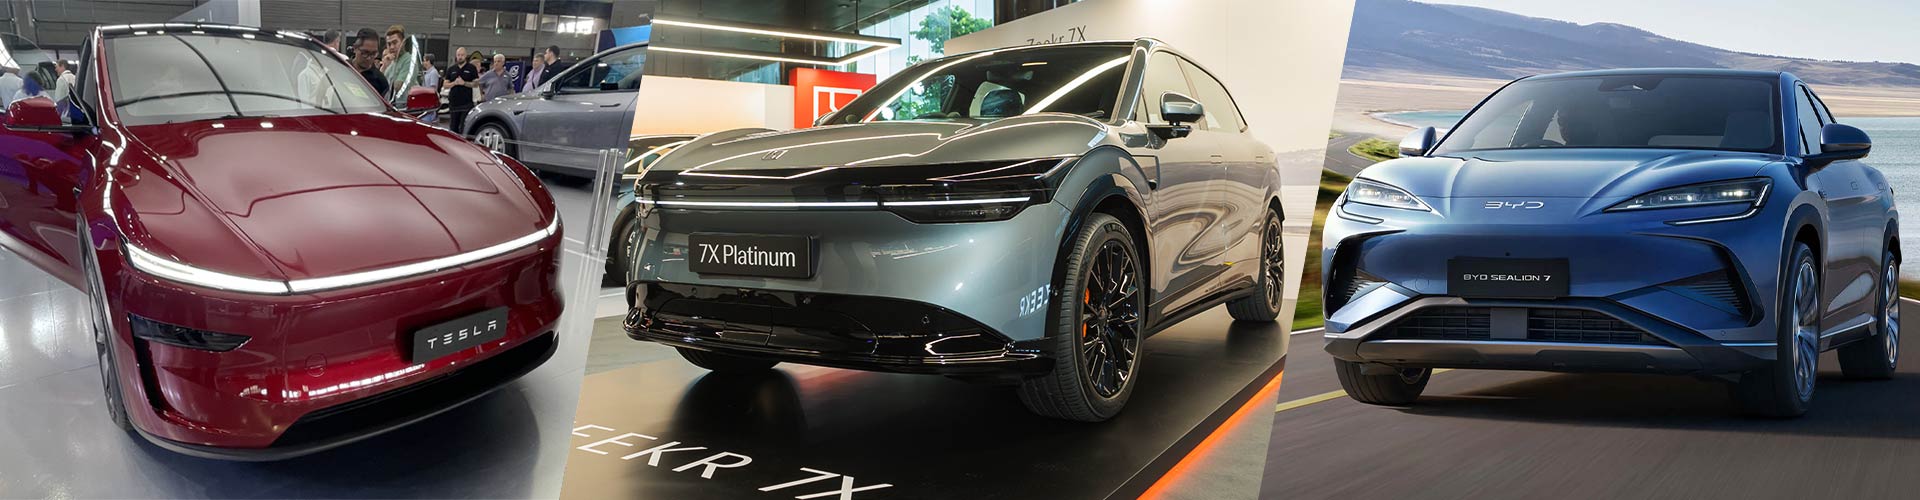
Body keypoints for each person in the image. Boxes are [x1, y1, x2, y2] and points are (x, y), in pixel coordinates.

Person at [445, 51, 482, 133]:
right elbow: (445, 85)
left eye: (462, 55)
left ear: (465, 56)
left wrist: (464, 83)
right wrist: (454, 83)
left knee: (463, 127)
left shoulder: (471, 68)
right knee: (453, 128)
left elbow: (476, 84)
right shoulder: (451, 69)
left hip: (466, 104)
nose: (460, 57)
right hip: (453, 104)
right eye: (458, 55)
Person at [351, 28, 390, 97]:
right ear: (355, 48)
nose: (369, 58)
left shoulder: (380, 81)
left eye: (373, 54)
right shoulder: (342, 68)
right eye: (365, 53)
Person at [418, 54, 441, 124]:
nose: (423, 63)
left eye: (425, 61)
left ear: (429, 61)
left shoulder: (433, 72)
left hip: (430, 101)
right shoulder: (427, 73)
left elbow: (433, 88)